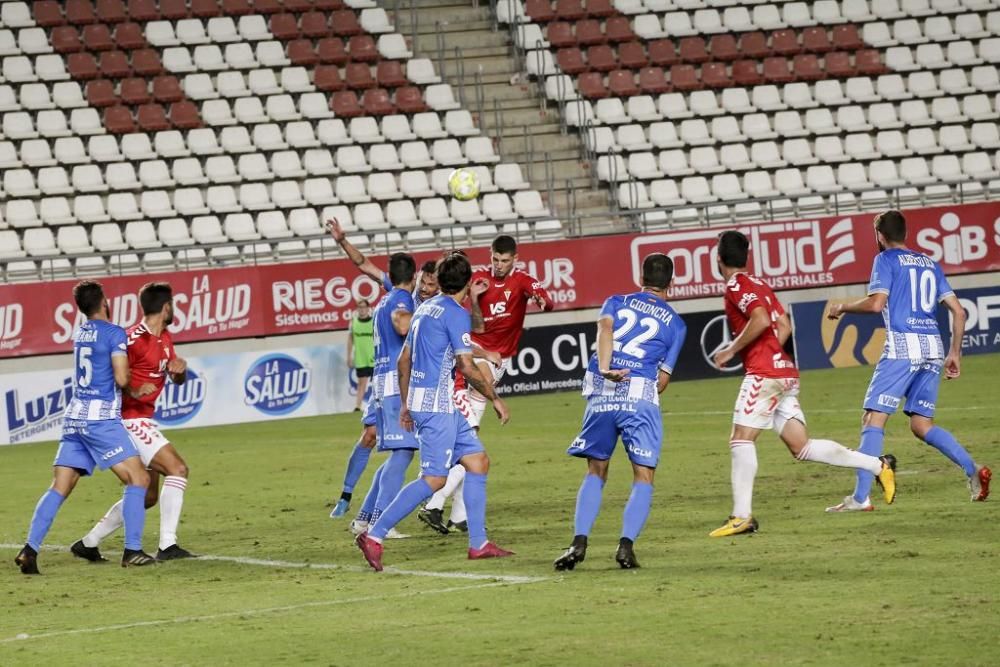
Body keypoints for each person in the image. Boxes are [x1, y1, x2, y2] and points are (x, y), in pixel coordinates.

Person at [708, 231, 897, 537]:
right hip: (783, 372)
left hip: (765, 374)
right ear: (747, 257)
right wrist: (771, 352)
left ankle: (741, 516)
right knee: (802, 447)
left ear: (718, 259)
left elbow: (759, 319)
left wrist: (732, 349)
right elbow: (783, 324)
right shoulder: (758, 283)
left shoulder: (736, 285)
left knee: (741, 439)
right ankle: (879, 466)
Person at [356, 253, 513, 571]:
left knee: (478, 462)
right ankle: (374, 534)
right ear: (468, 284)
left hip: (434, 403)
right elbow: (466, 366)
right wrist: (495, 398)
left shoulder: (424, 308)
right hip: (436, 406)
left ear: (440, 281)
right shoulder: (456, 314)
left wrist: (404, 403)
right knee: (434, 479)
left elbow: (404, 360)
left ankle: (478, 543)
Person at [825, 210, 991, 511]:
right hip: (933, 347)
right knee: (921, 424)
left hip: (903, 346)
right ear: (906, 233)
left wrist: (843, 306)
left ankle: (861, 498)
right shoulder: (929, 263)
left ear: (880, 235)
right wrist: (955, 352)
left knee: (873, 419)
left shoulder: (885, 260)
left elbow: (877, 304)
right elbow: (959, 311)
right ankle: (973, 470)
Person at [554, 254, 687, 571]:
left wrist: (605, 368)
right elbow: (663, 380)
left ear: (640, 278)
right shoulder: (677, 325)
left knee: (595, 472)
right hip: (639, 395)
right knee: (643, 476)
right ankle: (626, 547)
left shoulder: (615, 300)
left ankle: (578, 543)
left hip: (602, 393)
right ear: (672, 283)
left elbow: (605, 330)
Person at [15, 281, 156, 574]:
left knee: (59, 486)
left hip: (75, 418)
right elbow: (119, 377)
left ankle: (30, 549)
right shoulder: (114, 332)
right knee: (139, 479)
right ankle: (132, 550)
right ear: (104, 302)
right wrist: (136, 386)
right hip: (100, 419)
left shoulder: (80, 332)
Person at [419, 235, 554, 534]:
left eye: (505, 260)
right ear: (490, 256)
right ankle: (433, 504)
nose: (499, 265)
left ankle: (458, 516)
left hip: (498, 359)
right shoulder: (478, 279)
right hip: (477, 356)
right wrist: (477, 299)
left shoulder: (523, 281)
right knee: (469, 443)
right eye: (495, 259)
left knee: (471, 445)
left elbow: (547, 301)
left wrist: (542, 301)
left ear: (515, 259)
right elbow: (469, 323)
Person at [71, 282, 195, 562]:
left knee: (147, 496)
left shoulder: (165, 337)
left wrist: (180, 371)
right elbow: (112, 373)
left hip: (142, 419)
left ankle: (88, 543)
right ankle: (167, 546)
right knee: (178, 469)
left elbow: (174, 376)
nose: (174, 309)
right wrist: (133, 390)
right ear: (166, 307)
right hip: (128, 419)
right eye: (173, 304)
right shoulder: (132, 338)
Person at [327, 219, 417, 539]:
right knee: (404, 452)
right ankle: (380, 522)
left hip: (380, 383)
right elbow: (403, 325)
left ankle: (365, 518)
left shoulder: (387, 294)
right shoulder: (403, 301)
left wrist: (342, 241)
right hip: (394, 383)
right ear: (416, 277)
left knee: (396, 452)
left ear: (391, 277)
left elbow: (363, 264)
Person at [347, 299, 375, 412]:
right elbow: (350, 340)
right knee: (361, 383)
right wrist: (348, 356)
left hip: (374, 358)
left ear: (368, 308)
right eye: (360, 307)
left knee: (378, 384)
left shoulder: (374, 321)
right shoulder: (353, 322)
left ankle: (379, 405)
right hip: (360, 358)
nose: (362, 309)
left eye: (364, 307)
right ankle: (358, 406)